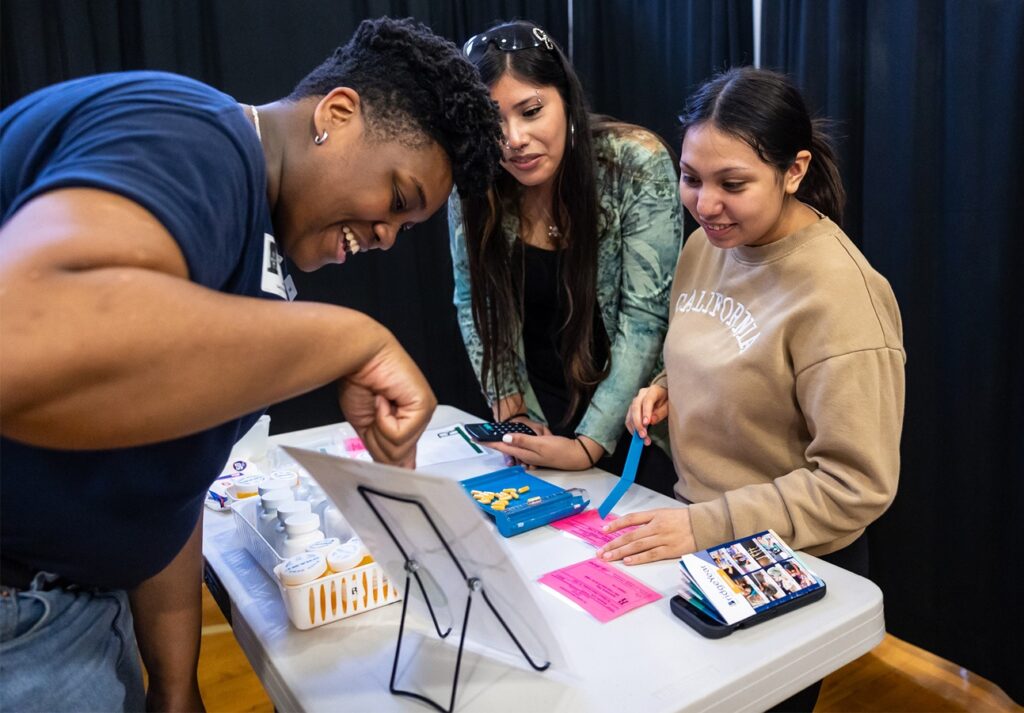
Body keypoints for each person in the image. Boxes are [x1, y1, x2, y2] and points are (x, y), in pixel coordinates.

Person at [0, 17, 501, 712]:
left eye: (407, 228)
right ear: (337, 114)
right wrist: (354, 339)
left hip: (79, 611)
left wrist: (176, 686)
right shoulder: (191, 138)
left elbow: (165, 484)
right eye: (396, 199)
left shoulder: (253, 244)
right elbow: (26, 341)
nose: (387, 237)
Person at [599, 66, 905, 711]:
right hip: (693, 530)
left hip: (786, 558)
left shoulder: (841, 296)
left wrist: (708, 527)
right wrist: (667, 386)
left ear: (794, 171)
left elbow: (856, 486)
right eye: (691, 178)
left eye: (732, 184)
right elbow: (724, 350)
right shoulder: (710, 244)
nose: (705, 204)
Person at [448, 21, 682, 484]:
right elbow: (474, 302)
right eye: (492, 120)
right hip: (537, 419)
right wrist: (510, 413)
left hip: (632, 429)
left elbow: (645, 319)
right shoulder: (476, 179)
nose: (512, 139)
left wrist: (588, 445)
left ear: (567, 102)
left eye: (531, 111)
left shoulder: (635, 162)